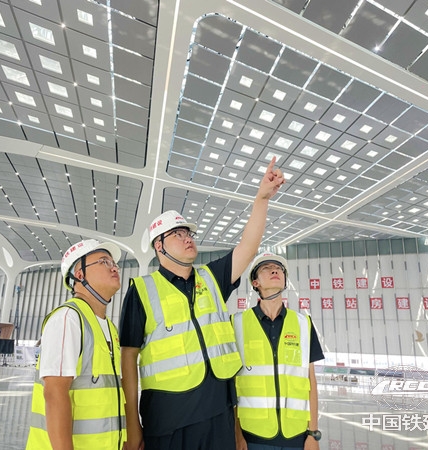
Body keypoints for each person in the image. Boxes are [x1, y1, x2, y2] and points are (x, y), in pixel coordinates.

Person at [119, 157, 285, 450]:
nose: (188, 239)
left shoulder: (211, 278)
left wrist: (261, 199)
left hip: (219, 414)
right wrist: (133, 425)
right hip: (168, 421)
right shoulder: (142, 290)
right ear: (159, 246)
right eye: (178, 234)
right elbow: (128, 359)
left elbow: (248, 247)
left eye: (189, 234)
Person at [26, 239, 126, 450]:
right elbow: (55, 394)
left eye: (114, 263)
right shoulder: (68, 318)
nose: (114, 268)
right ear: (80, 275)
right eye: (104, 261)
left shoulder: (108, 327)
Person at [233, 253, 324, 450]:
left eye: (279, 269)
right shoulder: (237, 324)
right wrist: (237, 434)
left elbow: (311, 381)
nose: (275, 270)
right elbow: (229, 384)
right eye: (266, 268)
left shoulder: (303, 324)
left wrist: (313, 434)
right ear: (255, 282)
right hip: (253, 437)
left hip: (297, 436)